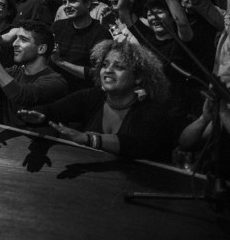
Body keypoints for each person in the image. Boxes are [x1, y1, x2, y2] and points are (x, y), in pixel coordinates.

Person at [20, 39, 174, 161]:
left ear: (139, 77)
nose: (108, 70)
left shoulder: (151, 110)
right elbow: (53, 110)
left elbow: (137, 144)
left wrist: (88, 139)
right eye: (105, 65)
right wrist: (38, 116)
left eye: (119, 67)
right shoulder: (92, 97)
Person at [0, 22, 68, 128]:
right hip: (11, 137)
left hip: (38, 141)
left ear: (41, 49)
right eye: (16, 38)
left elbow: (20, 94)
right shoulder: (15, 71)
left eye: (23, 39)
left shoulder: (56, 82)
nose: (15, 43)